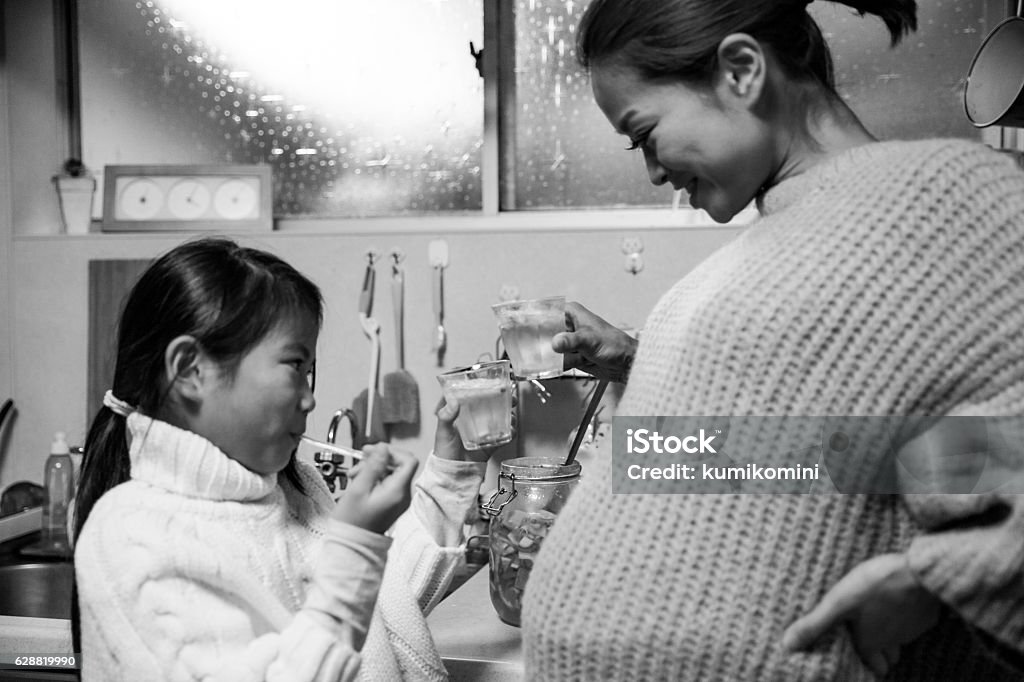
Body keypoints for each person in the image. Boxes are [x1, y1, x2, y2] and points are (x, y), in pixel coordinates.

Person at [522, 0, 1024, 679]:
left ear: (741, 69)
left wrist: (937, 578)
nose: (652, 172)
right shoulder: (756, 251)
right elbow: (817, 458)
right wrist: (639, 363)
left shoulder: (952, 197)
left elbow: (997, 453)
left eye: (644, 134)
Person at [72, 237, 488, 682]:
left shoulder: (296, 489)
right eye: (294, 366)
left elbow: (382, 617)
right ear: (191, 370)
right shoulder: (134, 537)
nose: (310, 400)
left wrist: (447, 470)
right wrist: (354, 545)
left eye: (310, 372)